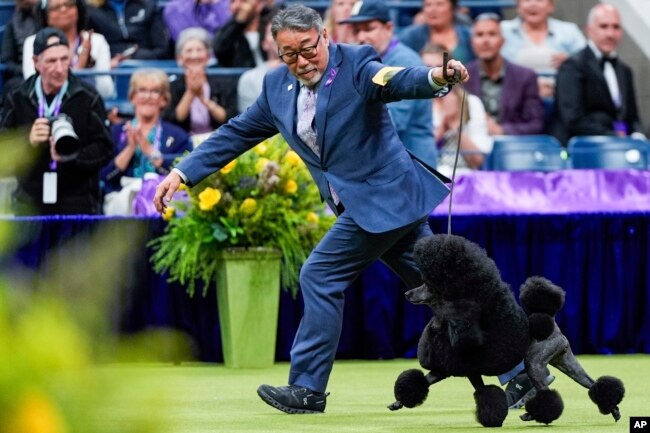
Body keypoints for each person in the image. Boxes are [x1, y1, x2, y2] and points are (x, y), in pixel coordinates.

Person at [153, 5, 469, 413]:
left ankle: (307, 388)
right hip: (378, 204)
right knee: (445, 290)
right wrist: (181, 174)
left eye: (307, 49)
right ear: (277, 52)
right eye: (289, 54)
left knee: (320, 273)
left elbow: (396, 80)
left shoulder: (356, 62)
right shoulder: (276, 88)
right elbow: (235, 133)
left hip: (383, 198)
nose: (301, 62)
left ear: (324, 36)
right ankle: (521, 369)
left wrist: (437, 77)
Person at [0, 27, 113, 215]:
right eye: (52, 61)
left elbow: (106, 148)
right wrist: (28, 141)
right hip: (29, 202)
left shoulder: (88, 97)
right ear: (36, 62)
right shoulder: (18, 97)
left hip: (78, 203)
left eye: (64, 59)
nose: (60, 69)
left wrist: (72, 156)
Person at [341, 0, 438, 168]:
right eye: (357, 31)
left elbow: (393, 121)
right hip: (390, 165)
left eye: (369, 28)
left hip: (416, 167)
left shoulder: (405, 61)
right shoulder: (367, 62)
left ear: (389, 28)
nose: (362, 37)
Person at [551, 3, 646, 145]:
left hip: (621, 147)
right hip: (584, 149)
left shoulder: (625, 71)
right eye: (603, 26)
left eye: (616, 27)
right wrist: (613, 136)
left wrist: (638, 136)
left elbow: (632, 116)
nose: (610, 34)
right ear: (589, 30)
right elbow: (572, 119)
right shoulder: (572, 66)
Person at [102, 68, 192, 215]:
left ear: (164, 99)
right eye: (142, 90)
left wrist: (149, 151)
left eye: (155, 91)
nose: (148, 96)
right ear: (132, 97)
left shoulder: (178, 136)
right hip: (122, 200)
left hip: (164, 200)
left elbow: (186, 172)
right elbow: (104, 175)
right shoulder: (116, 132)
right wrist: (130, 148)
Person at [464, 13, 545, 137]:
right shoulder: (462, 76)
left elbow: (536, 124)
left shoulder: (525, 76)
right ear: (472, 42)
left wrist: (501, 130)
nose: (485, 41)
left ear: (502, 41)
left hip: (513, 147)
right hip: (472, 146)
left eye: (492, 34)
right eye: (479, 35)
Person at [421, 43, 492, 175]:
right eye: (427, 69)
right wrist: (444, 124)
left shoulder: (471, 103)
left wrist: (455, 126)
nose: (434, 74)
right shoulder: (416, 104)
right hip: (428, 175)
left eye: (438, 68)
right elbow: (420, 156)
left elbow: (478, 160)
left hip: (466, 177)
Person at [22, 0, 114, 99]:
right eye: (56, 7)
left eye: (69, 5)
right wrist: (80, 67)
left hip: (88, 105)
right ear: (46, 15)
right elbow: (32, 87)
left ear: (78, 10)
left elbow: (106, 91)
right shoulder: (32, 43)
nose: (63, 9)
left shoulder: (97, 41)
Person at [500, 0, 586, 98]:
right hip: (514, 97)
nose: (533, 4)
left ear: (551, 6)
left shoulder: (569, 31)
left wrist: (571, 62)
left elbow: (589, 63)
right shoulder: (502, 30)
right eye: (527, 0)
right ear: (518, 6)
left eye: (539, 0)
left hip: (563, 97)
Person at [163, 27, 238, 136]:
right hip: (183, 141)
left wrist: (205, 100)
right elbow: (173, 120)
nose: (194, 55)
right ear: (180, 58)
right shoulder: (171, 86)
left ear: (207, 57)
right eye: (189, 51)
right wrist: (190, 92)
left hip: (218, 139)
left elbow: (229, 118)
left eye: (199, 50)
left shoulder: (224, 84)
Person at [85, 0, 170, 67]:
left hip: (146, 66)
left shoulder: (148, 7)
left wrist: (135, 57)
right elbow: (91, 49)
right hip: (109, 68)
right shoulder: (92, 12)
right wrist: (106, 65)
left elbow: (162, 50)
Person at [398, 0, 474, 64]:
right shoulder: (411, 36)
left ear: (452, 8)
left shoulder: (468, 35)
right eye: (428, 5)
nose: (433, 10)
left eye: (439, 4)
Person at [212, 0, 277, 67]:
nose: (237, 5)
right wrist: (238, 23)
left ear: (259, 5)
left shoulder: (270, 26)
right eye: (233, 1)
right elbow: (219, 51)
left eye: (244, 1)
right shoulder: (228, 32)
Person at [237, 20, 281, 113]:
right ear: (264, 44)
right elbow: (250, 122)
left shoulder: (305, 72)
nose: (280, 37)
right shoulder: (249, 78)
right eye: (274, 32)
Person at [0, 0, 40, 102]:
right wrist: (27, 71)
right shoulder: (13, 24)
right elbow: (6, 59)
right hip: (21, 75)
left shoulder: (50, 18)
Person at [163, 0, 232, 43]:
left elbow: (231, 35)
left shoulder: (230, 3)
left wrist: (217, 4)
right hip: (193, 59)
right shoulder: (174, 8)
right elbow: (187, 41)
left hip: (226, 58)